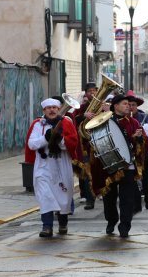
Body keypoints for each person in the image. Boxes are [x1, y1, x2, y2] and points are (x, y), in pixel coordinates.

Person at [92, 94, 148, 237]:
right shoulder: (104, 121)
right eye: (124, 103)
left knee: (127, 199)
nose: (128, 106)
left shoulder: (134, 122)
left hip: (127, 166)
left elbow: (143, 142)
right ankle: (111, 221)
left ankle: (125, 226)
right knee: (109, 198)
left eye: (129, 104)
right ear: (115, 106)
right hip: (109, 166)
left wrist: (139, 138)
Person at [27, 98, 78, 237]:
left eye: (54, 107)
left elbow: (72, 143)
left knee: (63, 197)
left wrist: (59, 139)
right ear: (44, 110)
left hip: (62, 164)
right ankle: (47, 226)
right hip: (43, 166)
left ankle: (63, 223)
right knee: (45, 196)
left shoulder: (66, 122)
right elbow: (31, 144)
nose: (52, 110)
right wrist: (45, 138)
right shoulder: (37, 125)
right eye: (48, 108)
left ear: (59, 108)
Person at [127, 90, 148, 211]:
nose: (131, 107)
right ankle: (133, 201)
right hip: (128, 154)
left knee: (146, 176)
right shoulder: (122, 118)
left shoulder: (145, 118)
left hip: (144, 154)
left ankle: (147, 199)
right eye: (129, 105)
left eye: (133, 105)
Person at [74, 82, 98, 210]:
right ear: (86, 93)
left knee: (98, 172)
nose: (92, 93)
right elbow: (73, 121)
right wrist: (84, 116)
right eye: (90, 91)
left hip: (99, 143)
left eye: (94, 91)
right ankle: (90, 198)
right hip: (85, 145)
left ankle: (100, 194)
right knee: (86, 173)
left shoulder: (102, 106)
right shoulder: (81, 108)